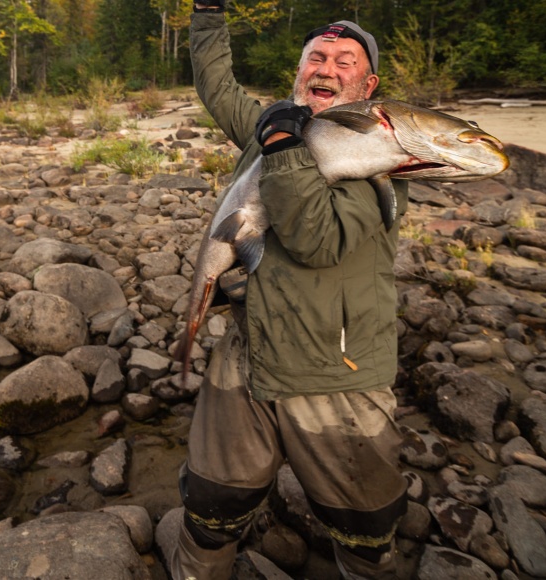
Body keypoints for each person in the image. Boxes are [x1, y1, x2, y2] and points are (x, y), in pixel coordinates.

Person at [157, 2, 409, 579]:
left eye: (346, 61)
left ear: (367, 85)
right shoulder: (275, 124)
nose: (328, 67)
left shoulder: (380, 159)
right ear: (300, 73)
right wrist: (207, 14)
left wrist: (281, 147)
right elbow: (216, 81)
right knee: (209, 512)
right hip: (247, 357)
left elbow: (316, 240)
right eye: (316, 57)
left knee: (366, 537)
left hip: (336, 377)